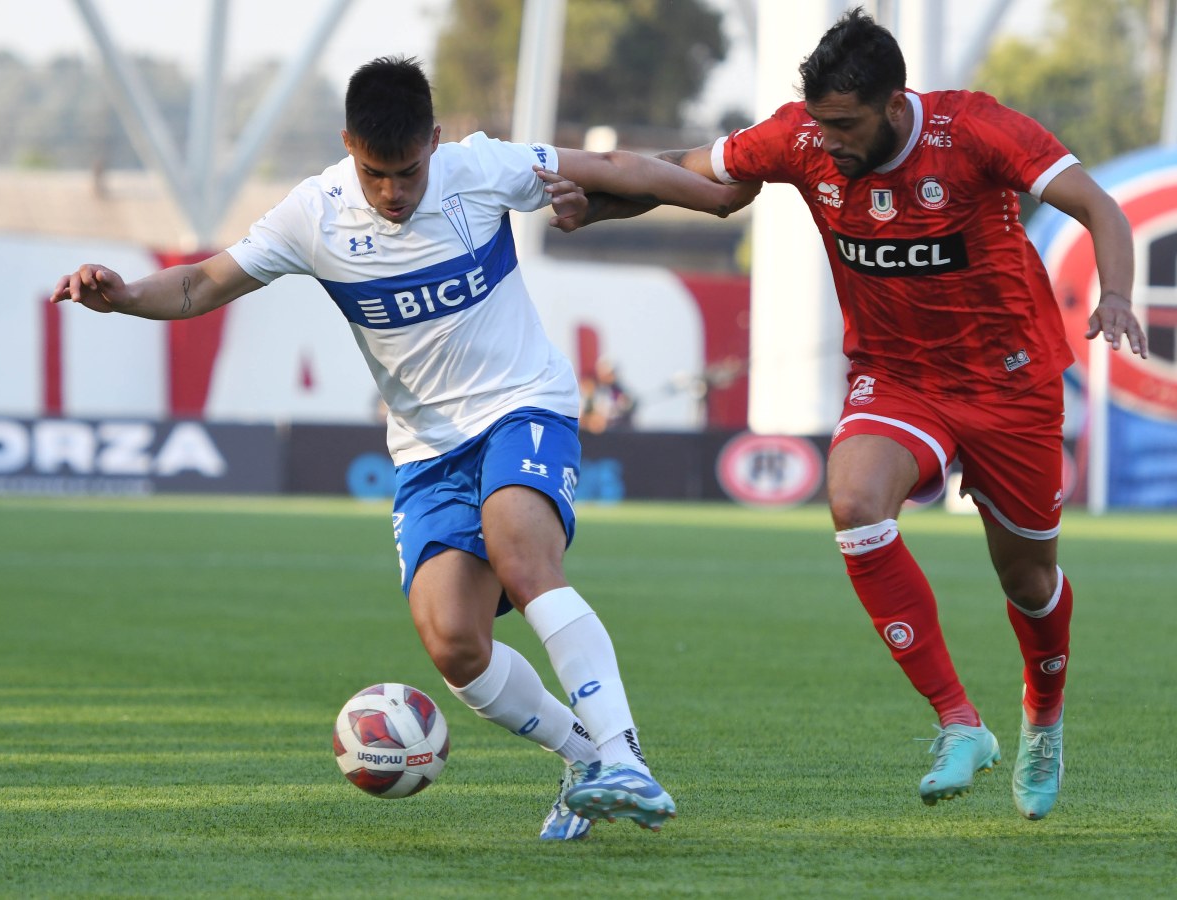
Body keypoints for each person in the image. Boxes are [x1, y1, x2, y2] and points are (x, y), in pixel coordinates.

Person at [50, 56, 751, 839]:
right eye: (376, 173)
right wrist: (122, 297)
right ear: (349, 144)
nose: (393, 192)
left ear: (436, 142)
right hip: (426, 450)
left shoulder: (478, 169)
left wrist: (719, 193)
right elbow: (201, 284)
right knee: (454, 641)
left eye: (409, 171)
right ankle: (584, 757)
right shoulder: (311, 215)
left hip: (524, 407)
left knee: (522, 553)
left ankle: (625, 756)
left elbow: (616, 166)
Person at [561, 9, 1147, 821]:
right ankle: (958, 722)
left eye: (846, 125)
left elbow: (1099, 207)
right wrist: (601, 204)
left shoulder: (975, 129)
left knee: (1029, 580)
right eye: (821, 123)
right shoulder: (801, 137)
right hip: (897, 376)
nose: (829, 141)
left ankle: (1042, 720)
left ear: (895, 104)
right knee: (854, 501)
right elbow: (697, 179)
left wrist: (1114, 294)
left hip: (1009, 384)